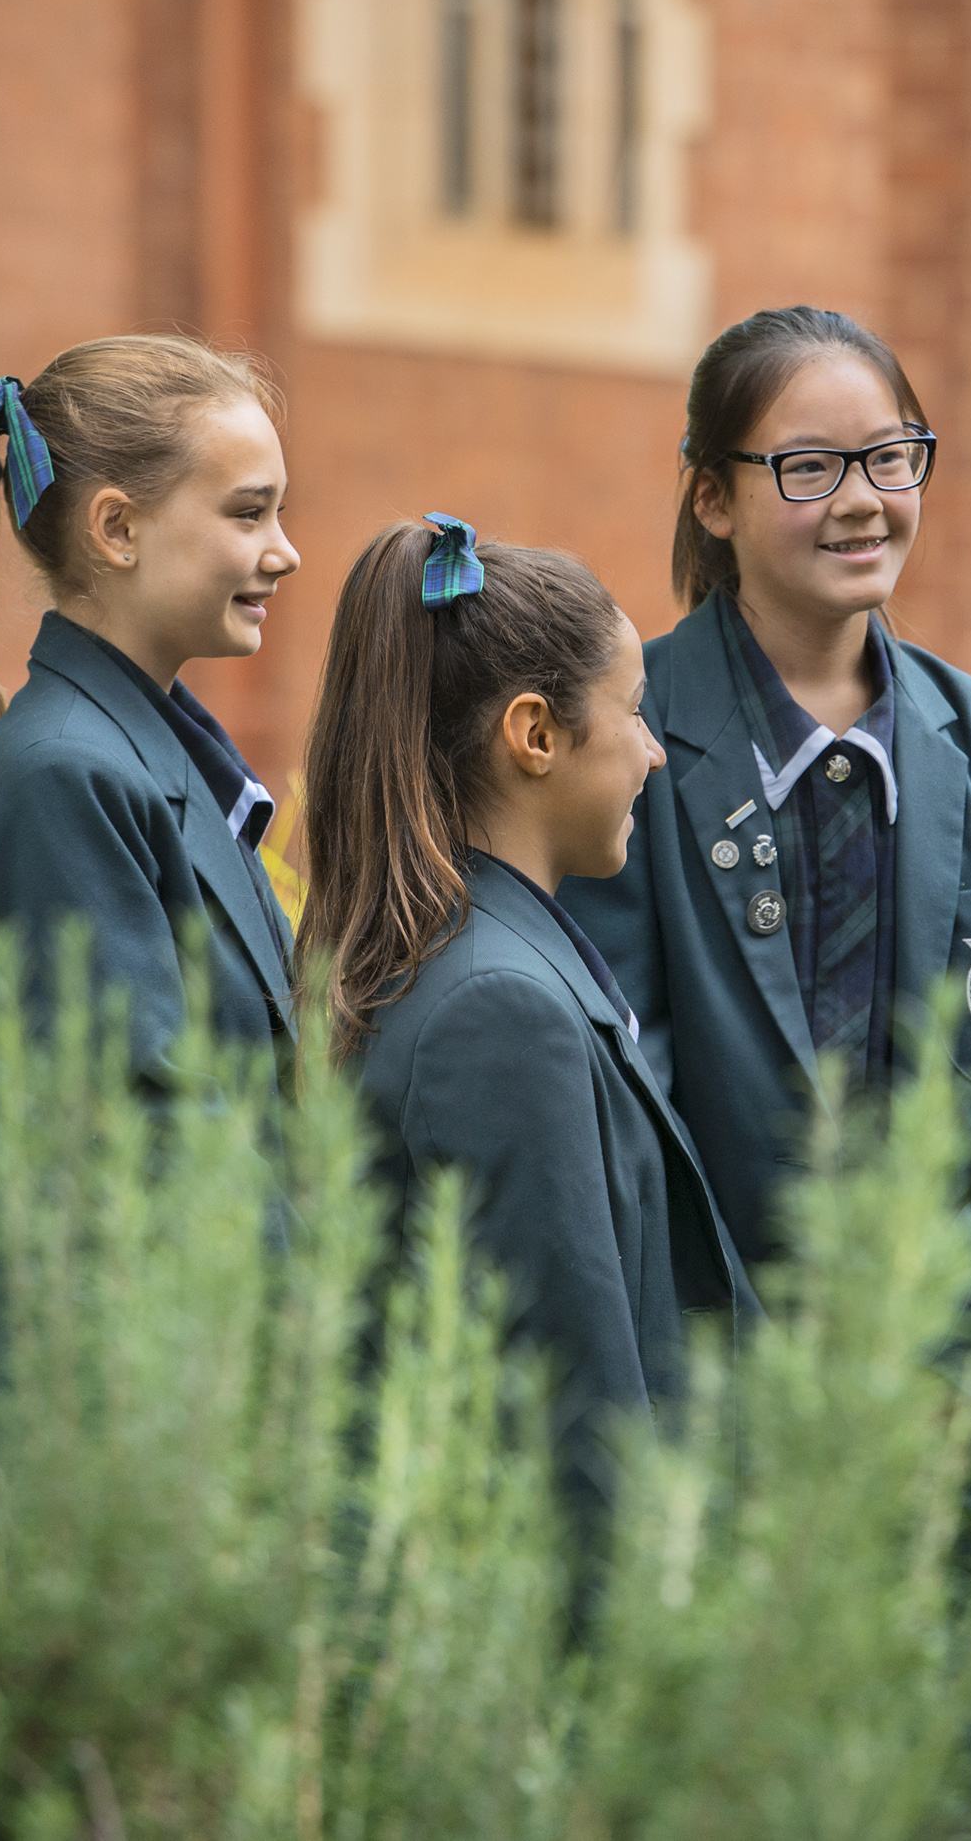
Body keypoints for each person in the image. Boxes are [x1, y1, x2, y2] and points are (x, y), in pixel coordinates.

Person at [562, 305, 971, 1753]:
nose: (862, 498)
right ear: (712, 495)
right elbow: (626, 1077)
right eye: (807, 467)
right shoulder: (636, 734)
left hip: (940, 1423)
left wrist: (964, 1362)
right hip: (717, 1411)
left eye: (889, 455)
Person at [301, 515, 750, 1516]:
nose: (653, 752)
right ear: (536, 734)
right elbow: (569, 1423)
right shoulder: (499, 1007)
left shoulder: (485, 960)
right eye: (633, 712)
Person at [0, 337, 302, 1408]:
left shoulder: (147, 756)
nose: (285, 553)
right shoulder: (62, 778)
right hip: (151, 1455)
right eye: (247, 513)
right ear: (119, 529)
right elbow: (154, 1150)